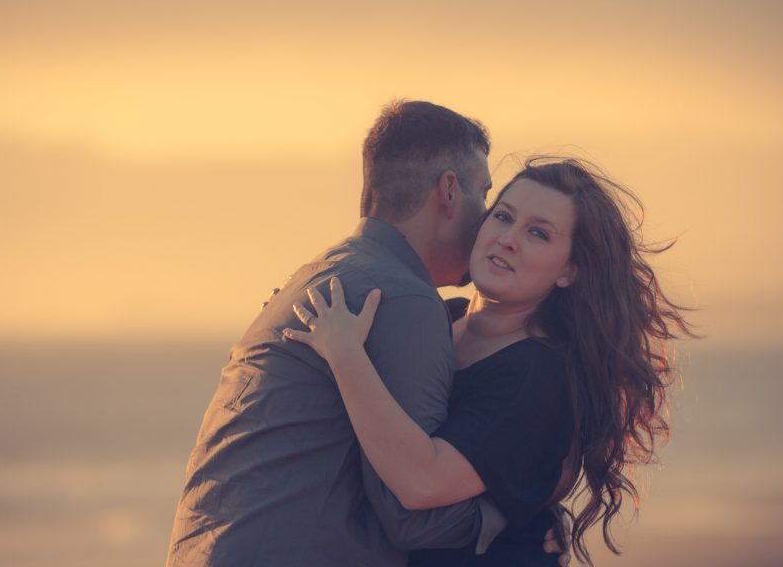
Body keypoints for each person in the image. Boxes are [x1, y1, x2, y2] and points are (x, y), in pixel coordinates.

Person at [165, 101, 569, 566]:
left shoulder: (319, 276)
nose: (489, 223)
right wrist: (515, 518)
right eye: (487, 198)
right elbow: (412, 515)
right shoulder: (403, 302)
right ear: (449, 192)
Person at [285, 157, 692, 566]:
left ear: (569, 270)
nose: (508, 239)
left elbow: (422, 482)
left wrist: (344, 353)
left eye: (538, 233)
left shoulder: (538, 374)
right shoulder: (439, 318)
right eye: (502, 216)